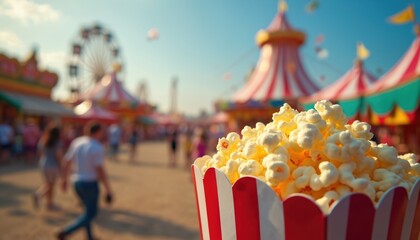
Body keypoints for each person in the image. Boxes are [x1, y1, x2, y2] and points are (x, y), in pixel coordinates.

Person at [57, 122, 113, 240]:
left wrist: (64, 180)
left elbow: (67, 161)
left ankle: (89, 236)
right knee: (91, 213)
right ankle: (66, 232)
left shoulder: (77, 142)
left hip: (76, 182)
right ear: (98, 132)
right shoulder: (97, 147)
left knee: (86, 211)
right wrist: (108, 189)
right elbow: (100, 170)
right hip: (90, 183)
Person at [33, 122, 63, 210]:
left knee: (47, 183)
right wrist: (61, 168)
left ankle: (48, 203)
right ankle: (43, 198)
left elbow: (40, 153)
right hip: (53, 166)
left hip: (44, 164)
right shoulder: (57, 143)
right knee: (51, 186)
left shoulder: (43, 140)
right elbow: (59, 156)